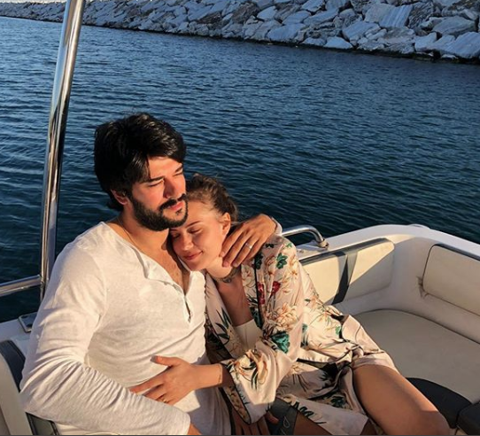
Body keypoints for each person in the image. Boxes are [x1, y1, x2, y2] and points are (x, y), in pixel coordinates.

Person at [133, 174, 450, 435]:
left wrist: (196, 378)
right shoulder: (193, 286)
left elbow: (281, 346)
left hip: (340, 359)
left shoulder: (273, 256)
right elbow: (213, 352)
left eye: (195, 230)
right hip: (281, 386)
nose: (185, 245)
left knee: (430, 429)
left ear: (225, 223)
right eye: (174, 235)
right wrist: (238, 404)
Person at [20, 113, 277, 435]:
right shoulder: (89, 260)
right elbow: (46, 382)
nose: (176, 191)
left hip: (230, 417)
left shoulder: (185, 241)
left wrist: (270, 223)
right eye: (156, 183)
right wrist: (176, 427)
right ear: (121, 195)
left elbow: (238, 239)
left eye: (178, 172)